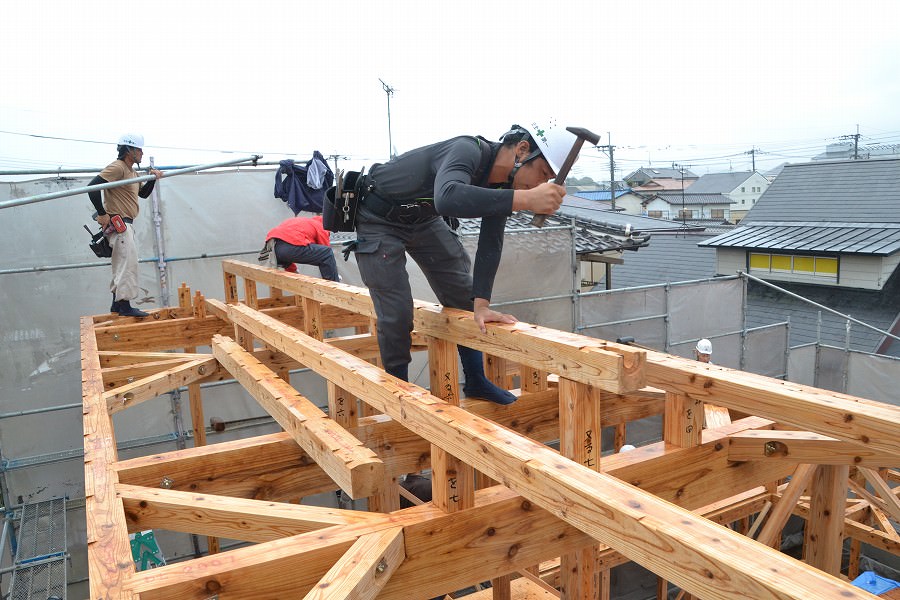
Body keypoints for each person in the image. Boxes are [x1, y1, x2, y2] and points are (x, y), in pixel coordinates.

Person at [350, 121, 577, 404]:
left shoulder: (503, 184)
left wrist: (481, 305)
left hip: (422, 220)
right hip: (378, 217)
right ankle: (400, 393)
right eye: (543, 173)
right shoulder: (467, 149)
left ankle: (476, 380)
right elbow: (447, 197)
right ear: (522, 151)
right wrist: (526, 198)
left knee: (462, 293)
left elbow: (490, 241)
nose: (541, 184)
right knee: (396, 312)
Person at [87, 133, 162, 317]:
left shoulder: (132, 172)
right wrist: (103, 214)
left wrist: (152, 179)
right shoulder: (118, 167)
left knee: (122, 263)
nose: (142, 153)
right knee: (128, 264)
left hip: (126, 224)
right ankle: (125, 307)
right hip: (119, 225)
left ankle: (117, 305)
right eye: (139, 149)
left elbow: (143, 194)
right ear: (129, 150)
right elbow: (92, 187)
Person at [264, 214, 339, 281]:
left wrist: (294, 272)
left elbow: (286, 248)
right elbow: (325, 251)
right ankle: (335, 289)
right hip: (287, 247)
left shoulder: (302, 222)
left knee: (288, 253)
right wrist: (334, 275)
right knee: (327, 254)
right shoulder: (321, 226)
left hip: (274, 248)